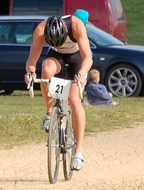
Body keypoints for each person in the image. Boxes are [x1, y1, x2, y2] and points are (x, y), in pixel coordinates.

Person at [25, 14, 93, 170]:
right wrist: (30, 72)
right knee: (46, 71)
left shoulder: (75, 25)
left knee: (74, 100)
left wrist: (82, 74)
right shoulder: (40, 30)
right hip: (56, 56)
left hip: (77, 58)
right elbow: (31, 61)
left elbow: (88, 56)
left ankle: (78, 152)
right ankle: (49, 113)